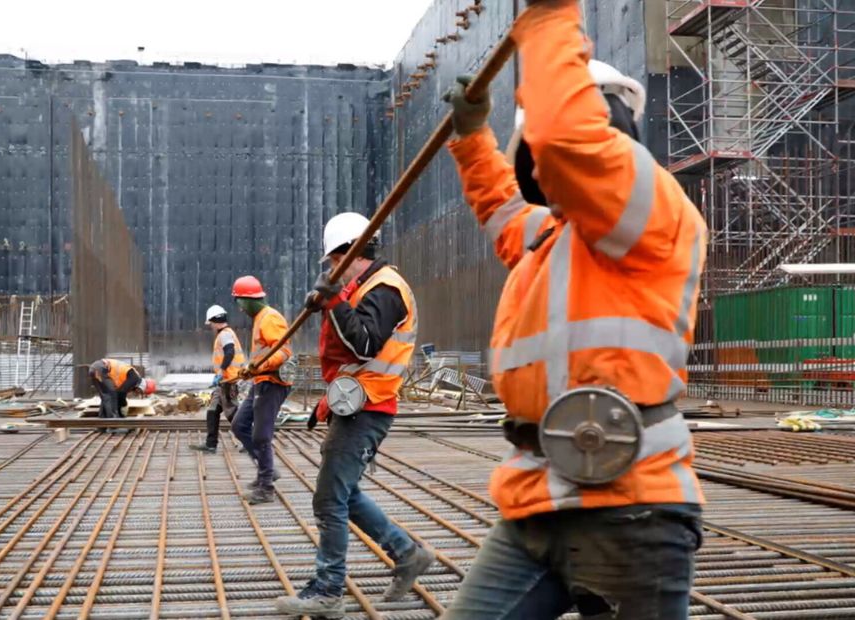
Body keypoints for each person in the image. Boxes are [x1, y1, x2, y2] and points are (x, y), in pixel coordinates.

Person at [439, 1, 706, 617]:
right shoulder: (550, 238)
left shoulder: (651, 212)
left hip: (630, 505)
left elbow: (563, 138)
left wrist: (551, 15)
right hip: (537, 498)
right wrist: (472, 138)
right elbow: (503, 211)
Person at [274, 213, 434, 617]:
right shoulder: (365, 288)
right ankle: (407, 553)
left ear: (351, 255)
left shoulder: (386, 289)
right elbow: (350, 358)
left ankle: (328, 590)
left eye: (333, 263)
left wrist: (333, 300)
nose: (331, 271)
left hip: (370, 408)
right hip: (358, 403)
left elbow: (363, 344)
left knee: (330, 499)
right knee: (345, 494)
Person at [229, 275, 292, 504]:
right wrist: (251, 369)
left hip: (272, 383)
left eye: (239, 302)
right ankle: (268, 470)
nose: (239, 307)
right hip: (260, 380)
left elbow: (283, 352)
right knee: (239, 425)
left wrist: (258, 367)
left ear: (246, 300)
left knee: (261, 435)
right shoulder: (259, 318)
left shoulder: (270, 318)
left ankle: (266, 487)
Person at [190, 304, 245, 454]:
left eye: (211, 323)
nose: (211, 326)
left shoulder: (225, 334)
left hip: (228, 381)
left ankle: (249, 441)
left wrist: (221, 371)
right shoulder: (224, 334)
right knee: (212, 411)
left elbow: (229, 352)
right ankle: (211, 444)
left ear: (215, 320)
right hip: (223, 383)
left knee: (233, 413)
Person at [88, 359, 156, 429]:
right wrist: (123, 407)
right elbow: (121, 393)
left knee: (106, 396)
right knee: (112, 394)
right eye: (140, 392)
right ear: (142, 387)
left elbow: (121, 393)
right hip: (101, 368)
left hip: (95, 369)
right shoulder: (134, 378)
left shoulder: (132, 378)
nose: (137, 393)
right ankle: (114, 424)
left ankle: (101, 426)